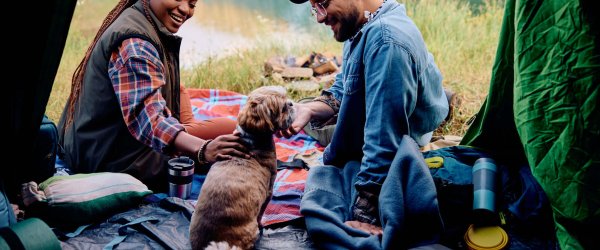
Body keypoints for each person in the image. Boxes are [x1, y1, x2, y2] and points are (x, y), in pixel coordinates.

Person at [282, 0, 449, 235]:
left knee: (324, 146)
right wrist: (310, 109)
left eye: (322, 3)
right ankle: (432, 93)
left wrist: (366, 210)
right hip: (383, 115)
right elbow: (345, 83)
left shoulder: (385, 41)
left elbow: (383, 138)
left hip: (400, 139)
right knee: (306, 113)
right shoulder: (364, 21)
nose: (319, 18)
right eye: (314, 9)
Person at [58, 0, 249, 192]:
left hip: (97, 143)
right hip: (111, 159)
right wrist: (203, 149)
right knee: (232, 131)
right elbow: (149, 119)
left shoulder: (142, 20)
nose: (185, 9)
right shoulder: (136, 44)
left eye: (192, 4)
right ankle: (183, 135)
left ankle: (183, 132)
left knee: (180, 92)